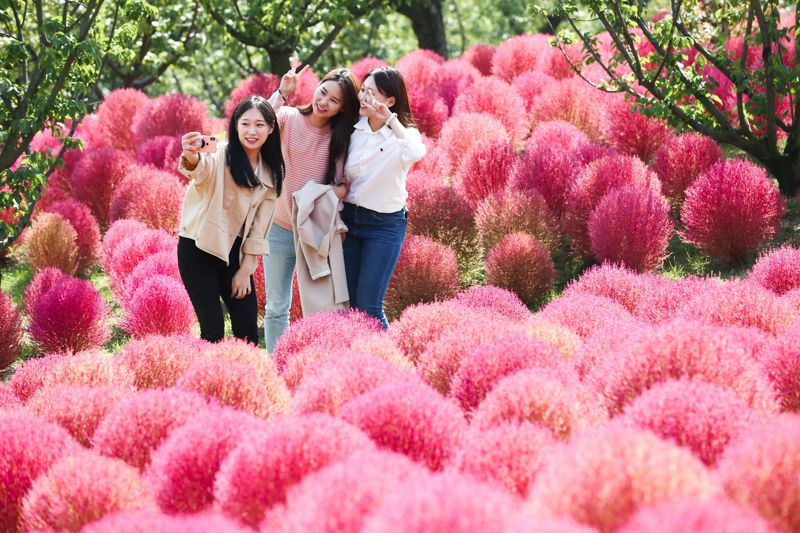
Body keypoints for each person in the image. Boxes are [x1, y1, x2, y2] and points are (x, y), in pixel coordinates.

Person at [264, 67, 360, 352]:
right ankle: (277, 365)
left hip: (315, 234)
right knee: (276, 306)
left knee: (322, 307)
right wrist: (283, 93)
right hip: (279, 228)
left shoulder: (338, 138)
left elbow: (344, 185)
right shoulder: (288, 118)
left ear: (343, 108)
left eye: (334, 100)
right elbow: (259, 122)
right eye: (323, 92)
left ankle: (318, 362)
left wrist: (317, 195)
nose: (324, 101)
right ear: (316, 87)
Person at [177, 96, 284, 345]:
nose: (252, 131)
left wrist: (246, 270)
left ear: (270, 128)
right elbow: (201, 171)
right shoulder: (222, 154)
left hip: (234, 254)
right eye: (245, 123)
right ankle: (208, 382)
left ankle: (244, 380)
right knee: (212, 330)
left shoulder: (270, 171)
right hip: (199, 246)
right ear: (235, 125)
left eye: (259, 125)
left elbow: (260, 228)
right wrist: (191, 156)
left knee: (247, 332)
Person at [340, 67, 426, 328]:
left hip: (384, 225)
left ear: (390, 100)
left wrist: (390, 121)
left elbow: (416, 152)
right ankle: (360, 363)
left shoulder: (404, 135)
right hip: (350, 221)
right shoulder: (352, 129)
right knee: (351, 304)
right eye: (363, 90)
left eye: (372, 93)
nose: (364, 97)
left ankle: (389, 362)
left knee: (369, 304)